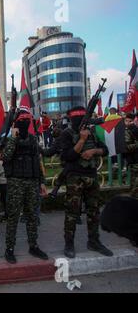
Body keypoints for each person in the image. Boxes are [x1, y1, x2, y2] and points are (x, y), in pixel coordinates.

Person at [60, 106, 113, 259]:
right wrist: (82, 140)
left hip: (92, 176)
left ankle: (94, 241)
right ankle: (69, 243)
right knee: (72, 212)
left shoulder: (93, 133)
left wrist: (94, 151)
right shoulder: (67, 134)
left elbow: (105, 150)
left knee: (94, 211)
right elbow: (68, 156)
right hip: (74, 177)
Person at [2, 110, 49, 264]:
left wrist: (41, 182)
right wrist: (14, 138)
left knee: (32, 217)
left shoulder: (33, 139)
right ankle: (9, 249)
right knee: (13, 217)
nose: (25, 123)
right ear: (16, 123)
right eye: (22, 120)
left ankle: (33, 245)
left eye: (26, 120)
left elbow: (37, 161)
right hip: (16, 182)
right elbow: (6, 157)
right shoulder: (9, 139)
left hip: (32, 182)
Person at [124, 113, 138, 198]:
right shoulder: (128, 131)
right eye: (127, 121)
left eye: (130, 121)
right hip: (135, 162)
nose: (128, 123)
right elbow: (126, 147)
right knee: (135, 188)